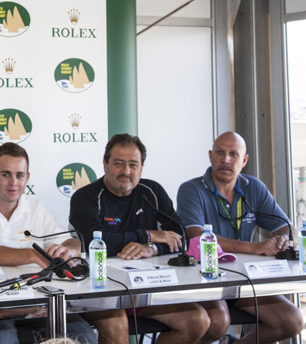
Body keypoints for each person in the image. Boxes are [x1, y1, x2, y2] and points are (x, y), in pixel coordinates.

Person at [70, 133, 228, 344]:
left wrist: (151, 248)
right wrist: (148, 235)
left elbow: (181, 236)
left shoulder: (151, 191)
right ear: (105, 164)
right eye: (118, 163)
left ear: (141, 168)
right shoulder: (85, 197)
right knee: (116, 323)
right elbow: (97, 243)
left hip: (145, 290)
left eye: (133, 165)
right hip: (99, 292)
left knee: (197, 320)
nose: (126, 171)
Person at [0, 142, 109, 344]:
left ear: (27, 177)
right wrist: (33, 255)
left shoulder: (36, 206)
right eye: (6, 174)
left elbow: (71, 242)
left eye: (19, 175)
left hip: (38, 299)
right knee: (4, 339)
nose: (13, 183)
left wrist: (68, 251)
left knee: (85, 337)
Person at [177, 131, 304, 344]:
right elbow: (197, 236)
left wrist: (283, 240)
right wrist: (254, 248)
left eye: (233, 154)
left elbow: (287, 228)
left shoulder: (253, 187)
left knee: (292, 321)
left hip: (244, 282)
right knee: (218, 322)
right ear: (210, 156)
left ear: (244, 161)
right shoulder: (191, 189)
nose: (226, 159)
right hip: (205, 282)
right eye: (220, 152)